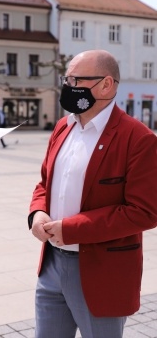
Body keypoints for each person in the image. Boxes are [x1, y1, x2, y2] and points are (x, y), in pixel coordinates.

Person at [28, 49, 157, 338]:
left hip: (102, 271)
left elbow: (144, 212)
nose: (68, 87)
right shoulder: (63, 127)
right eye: (66, 79)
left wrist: (71, 229)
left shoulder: (137, 138)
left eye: (75, 80)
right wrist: (37, 212)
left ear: (106, 85)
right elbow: (44, 184)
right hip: (51, 265)